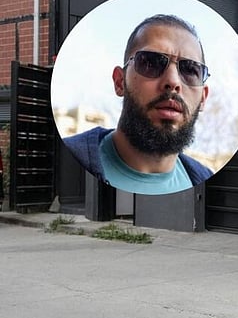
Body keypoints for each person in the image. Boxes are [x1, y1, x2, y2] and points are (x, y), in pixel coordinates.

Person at [64, 14, 212, 195]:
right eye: (151, 63)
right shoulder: (65, 160)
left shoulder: (206, 181)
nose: (173, 82)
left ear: (203, 97)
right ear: (120, 82)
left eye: (190, 70)